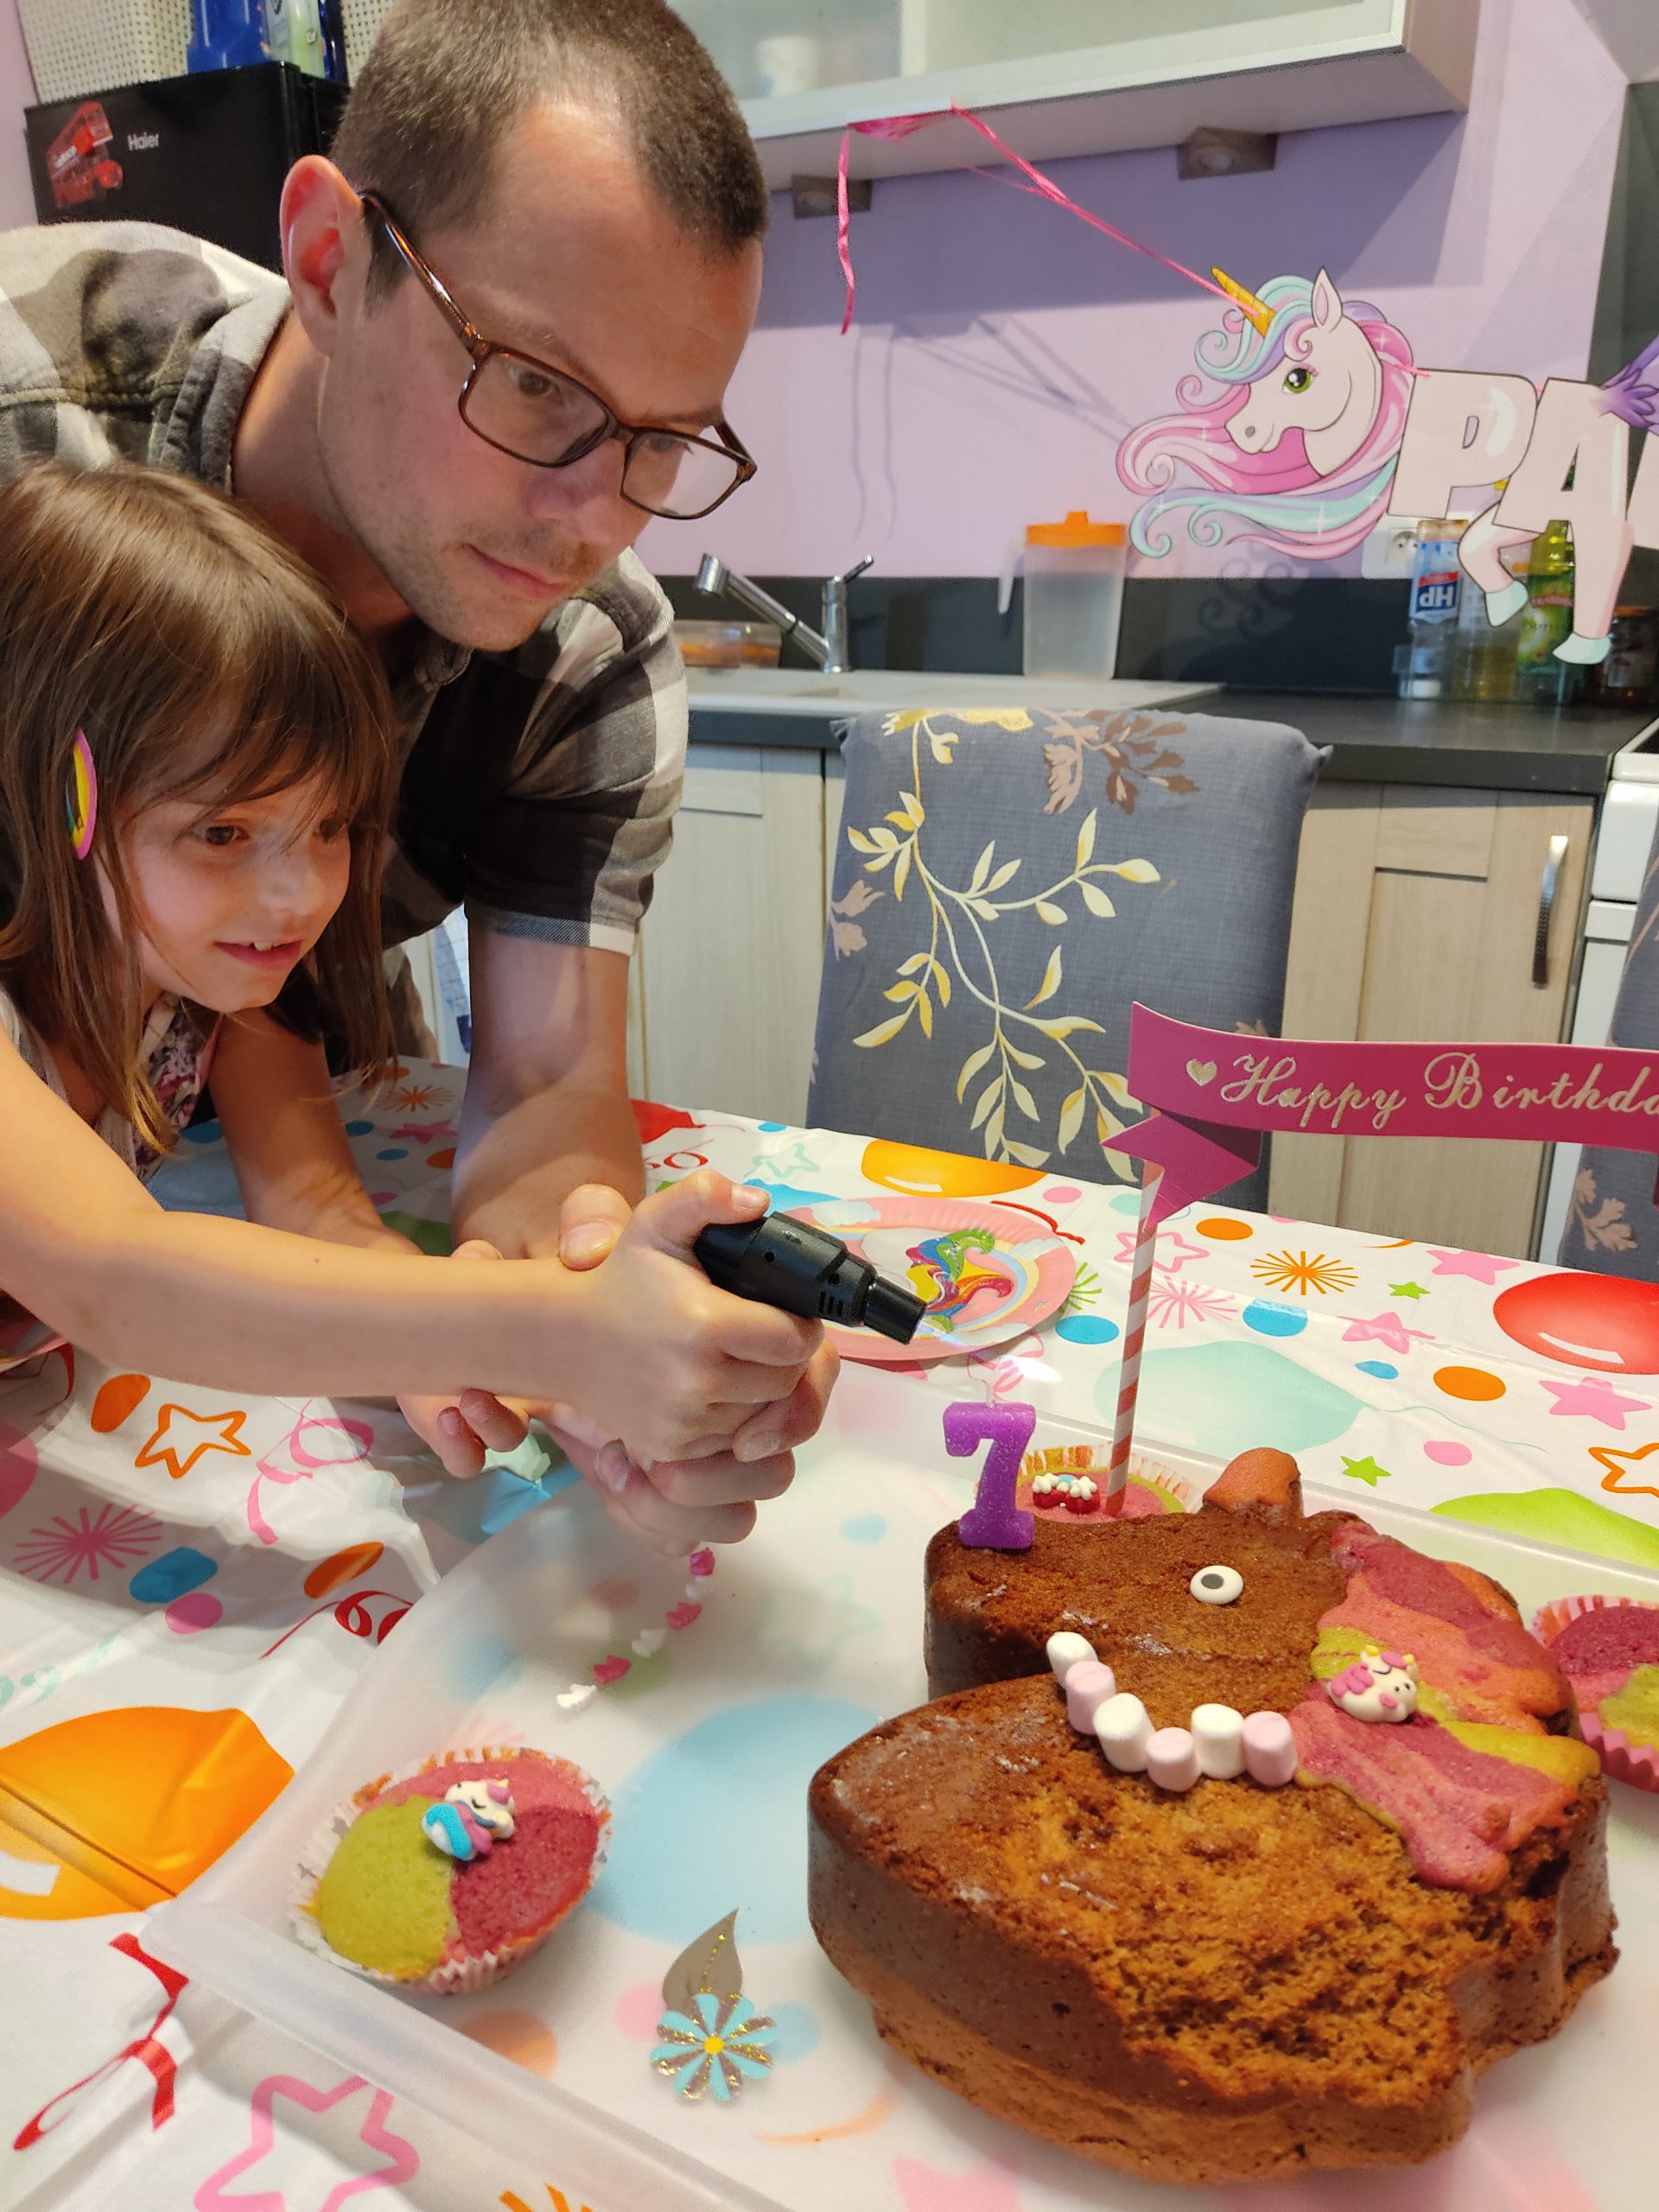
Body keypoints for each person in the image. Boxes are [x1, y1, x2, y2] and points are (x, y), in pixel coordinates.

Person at [0, 0, 837, 1537]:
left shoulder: (582, 662)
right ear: (331, 260)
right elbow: (112, 1265)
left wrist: (603, 1328)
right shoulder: (26, 468)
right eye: (536, 385)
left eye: (665, 440)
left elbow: (508, 1098)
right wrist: (538, 1332)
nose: (598, 521)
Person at [0, 463, 819, 1551]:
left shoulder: (212, 991)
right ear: (59, 797)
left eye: (331, 824)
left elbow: (320, 1215)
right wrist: (553, 1328)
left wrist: (461, 1367)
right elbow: (121, 1277)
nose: (300, 896)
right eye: (222, 832)